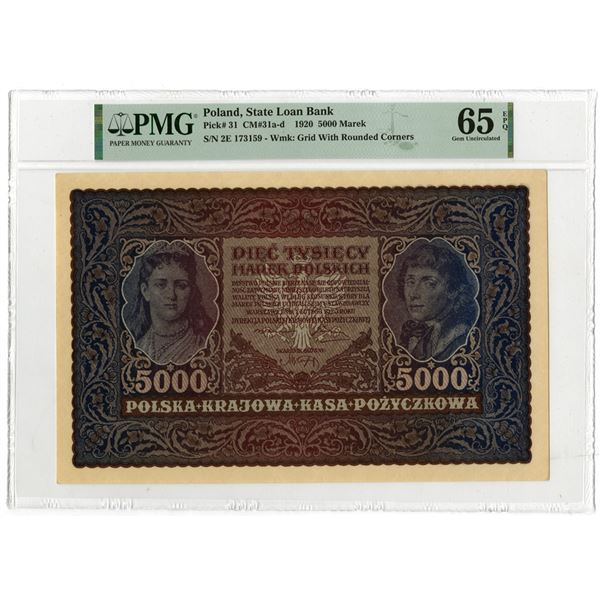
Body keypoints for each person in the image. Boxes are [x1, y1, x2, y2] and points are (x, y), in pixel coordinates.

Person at [127, 242, 212, 364]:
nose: (171, 295)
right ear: (145, 291)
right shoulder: (138, 345)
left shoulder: (203, 344)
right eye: (161, 285)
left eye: (181, 286)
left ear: (191, 292)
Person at [396, 241, 478, 361]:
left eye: (429, 283)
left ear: (452, 290)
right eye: (410, 282)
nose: (413, 294)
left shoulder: (462, 337)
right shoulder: (415, 335)